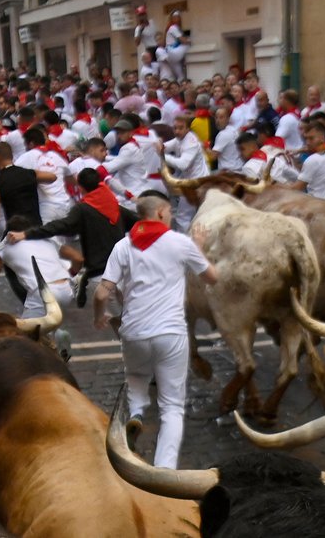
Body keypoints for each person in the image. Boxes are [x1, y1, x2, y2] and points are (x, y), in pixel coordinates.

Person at [93, 190, 217, 469]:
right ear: (160, 212)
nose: (172, 215)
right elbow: (212, 276)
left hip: (134, 331)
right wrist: (197, 245)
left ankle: (136, 414)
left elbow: (102, 293)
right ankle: (164, 469)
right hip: (169, 333)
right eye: (170, 212)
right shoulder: (179, 243)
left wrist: (98, 317)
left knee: (137, 381)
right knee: (172, 406)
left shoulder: (123, 246)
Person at [8, 168, 139, 307]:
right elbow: (139, 222)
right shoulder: (114, 205)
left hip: (102, 276)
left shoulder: (83, 209)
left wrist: (26, 234)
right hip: (126, 272)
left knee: (110, 321)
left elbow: (60, 226)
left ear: (80, 187)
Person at [0, 215, 75, 318]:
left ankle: (55, 333)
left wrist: (6, 261)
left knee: (25, 333)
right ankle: (55, 333)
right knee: (46, 322)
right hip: (66, 290)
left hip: (43, 293)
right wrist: (71, 274)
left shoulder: (5, 244)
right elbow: (78, 259)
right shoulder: (45, 238)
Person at [161, 114, 209, 231]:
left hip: (196, 184)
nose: (177, 131)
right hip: (193, 181)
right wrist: (158, 145)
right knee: (191, 215)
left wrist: (162, 155)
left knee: (183, 216)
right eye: (175, 128)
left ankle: (185, 242)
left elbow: (183, 164)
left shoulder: (190, 142)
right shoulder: (179, 139)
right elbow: (167, 146)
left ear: (188, 129)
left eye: (180, 128)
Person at [286, 121, 325, 201]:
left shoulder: (313, 160)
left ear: (322, 138)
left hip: (317, 205)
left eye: (311, 138)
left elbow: (296, 188)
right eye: (306, 138)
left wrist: (276, 186)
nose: (307, 142)